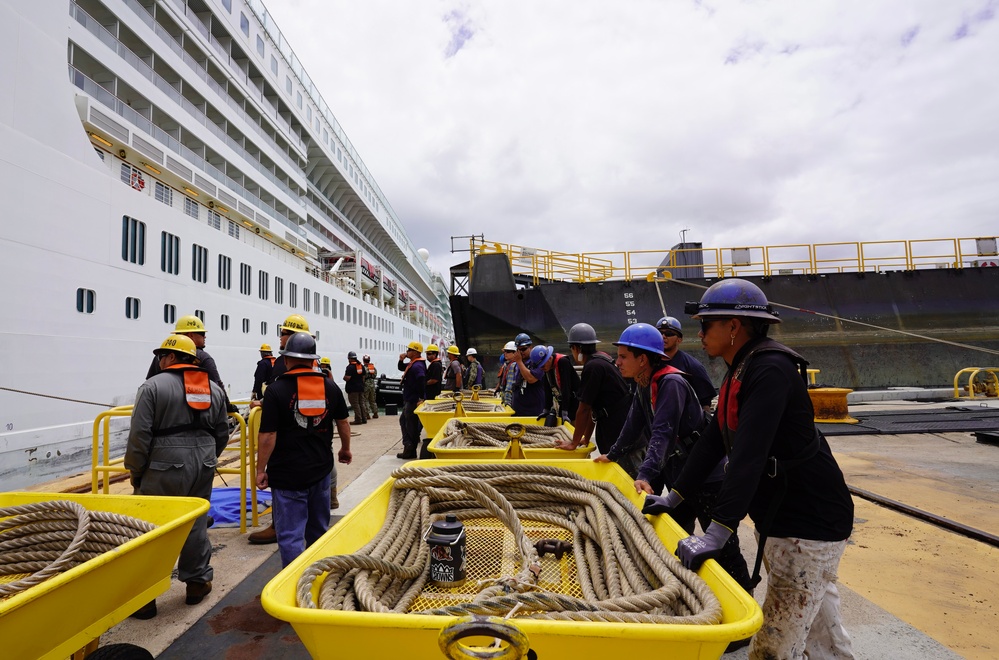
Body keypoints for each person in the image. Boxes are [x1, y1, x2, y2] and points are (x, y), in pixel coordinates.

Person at [645, 279, 855, 659]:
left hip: (807, 523)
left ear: (733, 327)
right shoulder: (741, 368)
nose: (699, 333)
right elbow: (713, 441)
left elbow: (749, 453)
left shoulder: (770, 369)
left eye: (706, 324)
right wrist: (674, 497)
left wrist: (718, 529)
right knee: (821, 634)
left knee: (773, 643)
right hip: (785, 518)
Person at [596, 323, 751, 593]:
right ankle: (689, 590)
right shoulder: (645, 384)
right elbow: (633, 425)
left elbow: (662, 433)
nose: (617, 362)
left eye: (622, 357)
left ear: (642, 359)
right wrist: (613, 454)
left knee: (723, 545)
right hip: (681, 476)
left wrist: (644, 475)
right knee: (674, 533)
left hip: (705, 478)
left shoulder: (671, 383)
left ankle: (742, 595)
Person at [125, 334, 229, 619]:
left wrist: (137, 470)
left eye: (162, 355)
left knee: (151, 527)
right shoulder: (212, 389)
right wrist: (207, 456)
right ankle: (197, 582)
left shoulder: (152, 387)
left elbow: (139, 435)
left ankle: (145, 598)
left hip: (163, 462)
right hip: (205, 459)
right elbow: (222, 431)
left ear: (171, 358)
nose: (159, 360)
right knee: (195, 521)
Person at [256, 332, 352, 567]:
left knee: (290, 535)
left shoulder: (276, 391)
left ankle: (294, 586)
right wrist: (345, 450)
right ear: (313, 360)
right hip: (320, 471)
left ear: (287, 360)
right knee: (318, 530)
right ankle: (317, 578)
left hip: (286, 474)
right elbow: (343, 422)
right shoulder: (330, 387)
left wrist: (261, 469)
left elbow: (268, 435)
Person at [248, 313, 312, 545]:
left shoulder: (287, 362)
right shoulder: (312, 363)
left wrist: (263, 403)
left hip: (286, 431)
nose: (280, 338)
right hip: (310, 430)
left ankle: (279, 526)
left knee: (283, 479)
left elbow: (283, 392)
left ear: (293, 336)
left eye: (284, 333)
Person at [555, 323, 629, 454]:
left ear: (576, 348)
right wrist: (585, 438)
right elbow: (592, 408)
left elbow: (583, 409)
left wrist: (574, 443)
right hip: (619, 423)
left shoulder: (592, 367)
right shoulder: (603, 360)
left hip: (615, 428)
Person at [656, 316, 717, 412]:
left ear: (679, 340)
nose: (663, 336)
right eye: (660, 333)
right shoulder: (648, 363)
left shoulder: (692, 367)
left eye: (669, 333)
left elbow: (705, 404)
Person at [146, 315, 224, 389]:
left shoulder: (160, 356)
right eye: (202, 333)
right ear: (190, 335)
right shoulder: (203, 357)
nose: (205, 336)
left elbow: (149, 384)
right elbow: (217, 389)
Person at [529, 344, 580, 424]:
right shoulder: (547, 367)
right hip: (563, 402)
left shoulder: (563, 362)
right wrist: (546, 409)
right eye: (540, 367)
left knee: (572, 428)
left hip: (575, 401)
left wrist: (565, 411)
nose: (542, 368)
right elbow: (547, 388)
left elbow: (566, 387)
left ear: (549, 358)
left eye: (543, 365)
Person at [396, 341, 426, 459]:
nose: (407, 351)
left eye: (409, 350)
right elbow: (401, 367)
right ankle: (409, 447)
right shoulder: (413, 363)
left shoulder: (417, 365)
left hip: (413, 400)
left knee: (409, 424)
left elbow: (421, 379)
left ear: (415, 352)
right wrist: (401, 360)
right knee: (405, 421)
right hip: (410, 398)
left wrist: (421, 398)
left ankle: (409, 448)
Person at [509, 333, 545, 417]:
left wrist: (519, 362)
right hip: (518, 409)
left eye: (523, 349)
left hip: (533, 410)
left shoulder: (537, 362)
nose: (521, 352)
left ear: (530, 347)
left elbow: (531, 379)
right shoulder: (516, 365)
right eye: (518, 350)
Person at [343, 351, 367, 425]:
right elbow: (363, 376)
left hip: (353, 389)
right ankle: (364, 418)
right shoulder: (361, 366)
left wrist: (344, 378)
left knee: (355, 404)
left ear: (350, 359)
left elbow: (347, 378)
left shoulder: (350, 367)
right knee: (361, 403)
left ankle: (358, 419)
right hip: (360, 388)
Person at [494, 341, 517, 406]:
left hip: (511, 400)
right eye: (505, 352)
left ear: (515, 353)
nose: (505, 354)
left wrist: (507, 401)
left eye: (508, 352)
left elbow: (509, 386)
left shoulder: (513, 365)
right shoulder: (506, 365)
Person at [362, 355, 379, 419]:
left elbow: (363, 376)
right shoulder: (373, 368)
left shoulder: (363, 368)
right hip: (372, 384)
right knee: (372, 400)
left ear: (363, 360)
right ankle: (375, 413)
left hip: (366, 384)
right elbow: (374, 375)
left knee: (365, 400)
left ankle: (367, 414)